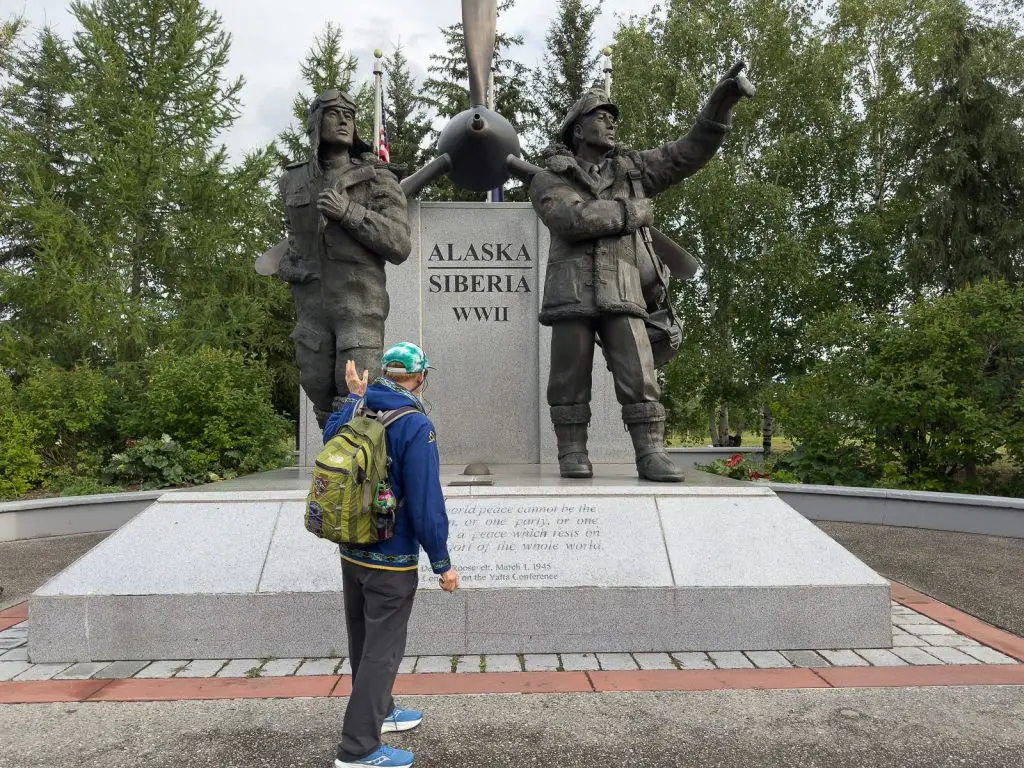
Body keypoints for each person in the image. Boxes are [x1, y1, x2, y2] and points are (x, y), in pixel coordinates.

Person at [529, 63, 753, 482]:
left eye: (613, 118)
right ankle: (572, 451)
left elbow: (686, 153)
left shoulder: (632, 170)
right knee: (568, 375)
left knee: (639, 371)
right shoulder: (548, 177)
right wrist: (632, 211)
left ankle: (650, 451)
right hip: (570, 293)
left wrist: (718, 109)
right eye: (600, 116)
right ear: (577, 130)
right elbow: (570, 220)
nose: (611, 123)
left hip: (624, 286)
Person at [325, 341, 460, 768]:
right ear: (420, 377)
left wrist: (352, 394)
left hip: (352, 549)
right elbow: (425, 502)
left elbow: (329, 442)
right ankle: (358, 748)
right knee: (383, 651)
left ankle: (381, 711)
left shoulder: (361, 406)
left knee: (364, 640)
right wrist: (442, 562)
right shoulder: (416, 424)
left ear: (386, 373)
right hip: (392, 556)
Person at [278, 89, 412, 429]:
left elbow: (398, 243)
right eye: (333, 114)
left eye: (349, 116)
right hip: (312, 305)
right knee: (316, 383)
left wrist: (348, 211)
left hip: (359, 303)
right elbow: (295, 238)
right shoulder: (293, 179)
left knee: (355, 388)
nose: (343, 121)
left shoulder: (378, 178)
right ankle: (335, 464)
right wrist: (288, 264)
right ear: (315, 122)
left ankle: (356, 467)